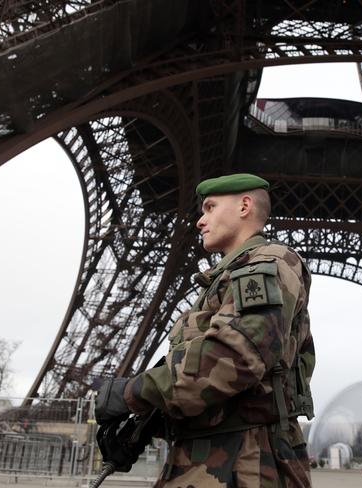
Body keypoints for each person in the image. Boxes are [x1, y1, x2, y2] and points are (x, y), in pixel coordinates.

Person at [95, 173, 315, 487]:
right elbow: (214, 389)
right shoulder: (227, 279)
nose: (200, 220)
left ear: (244, 206)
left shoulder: (266, 264)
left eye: (210, 208)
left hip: (244, 465)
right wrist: (141, 429)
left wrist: (132, 392)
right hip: (216, 461)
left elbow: (235, 356)